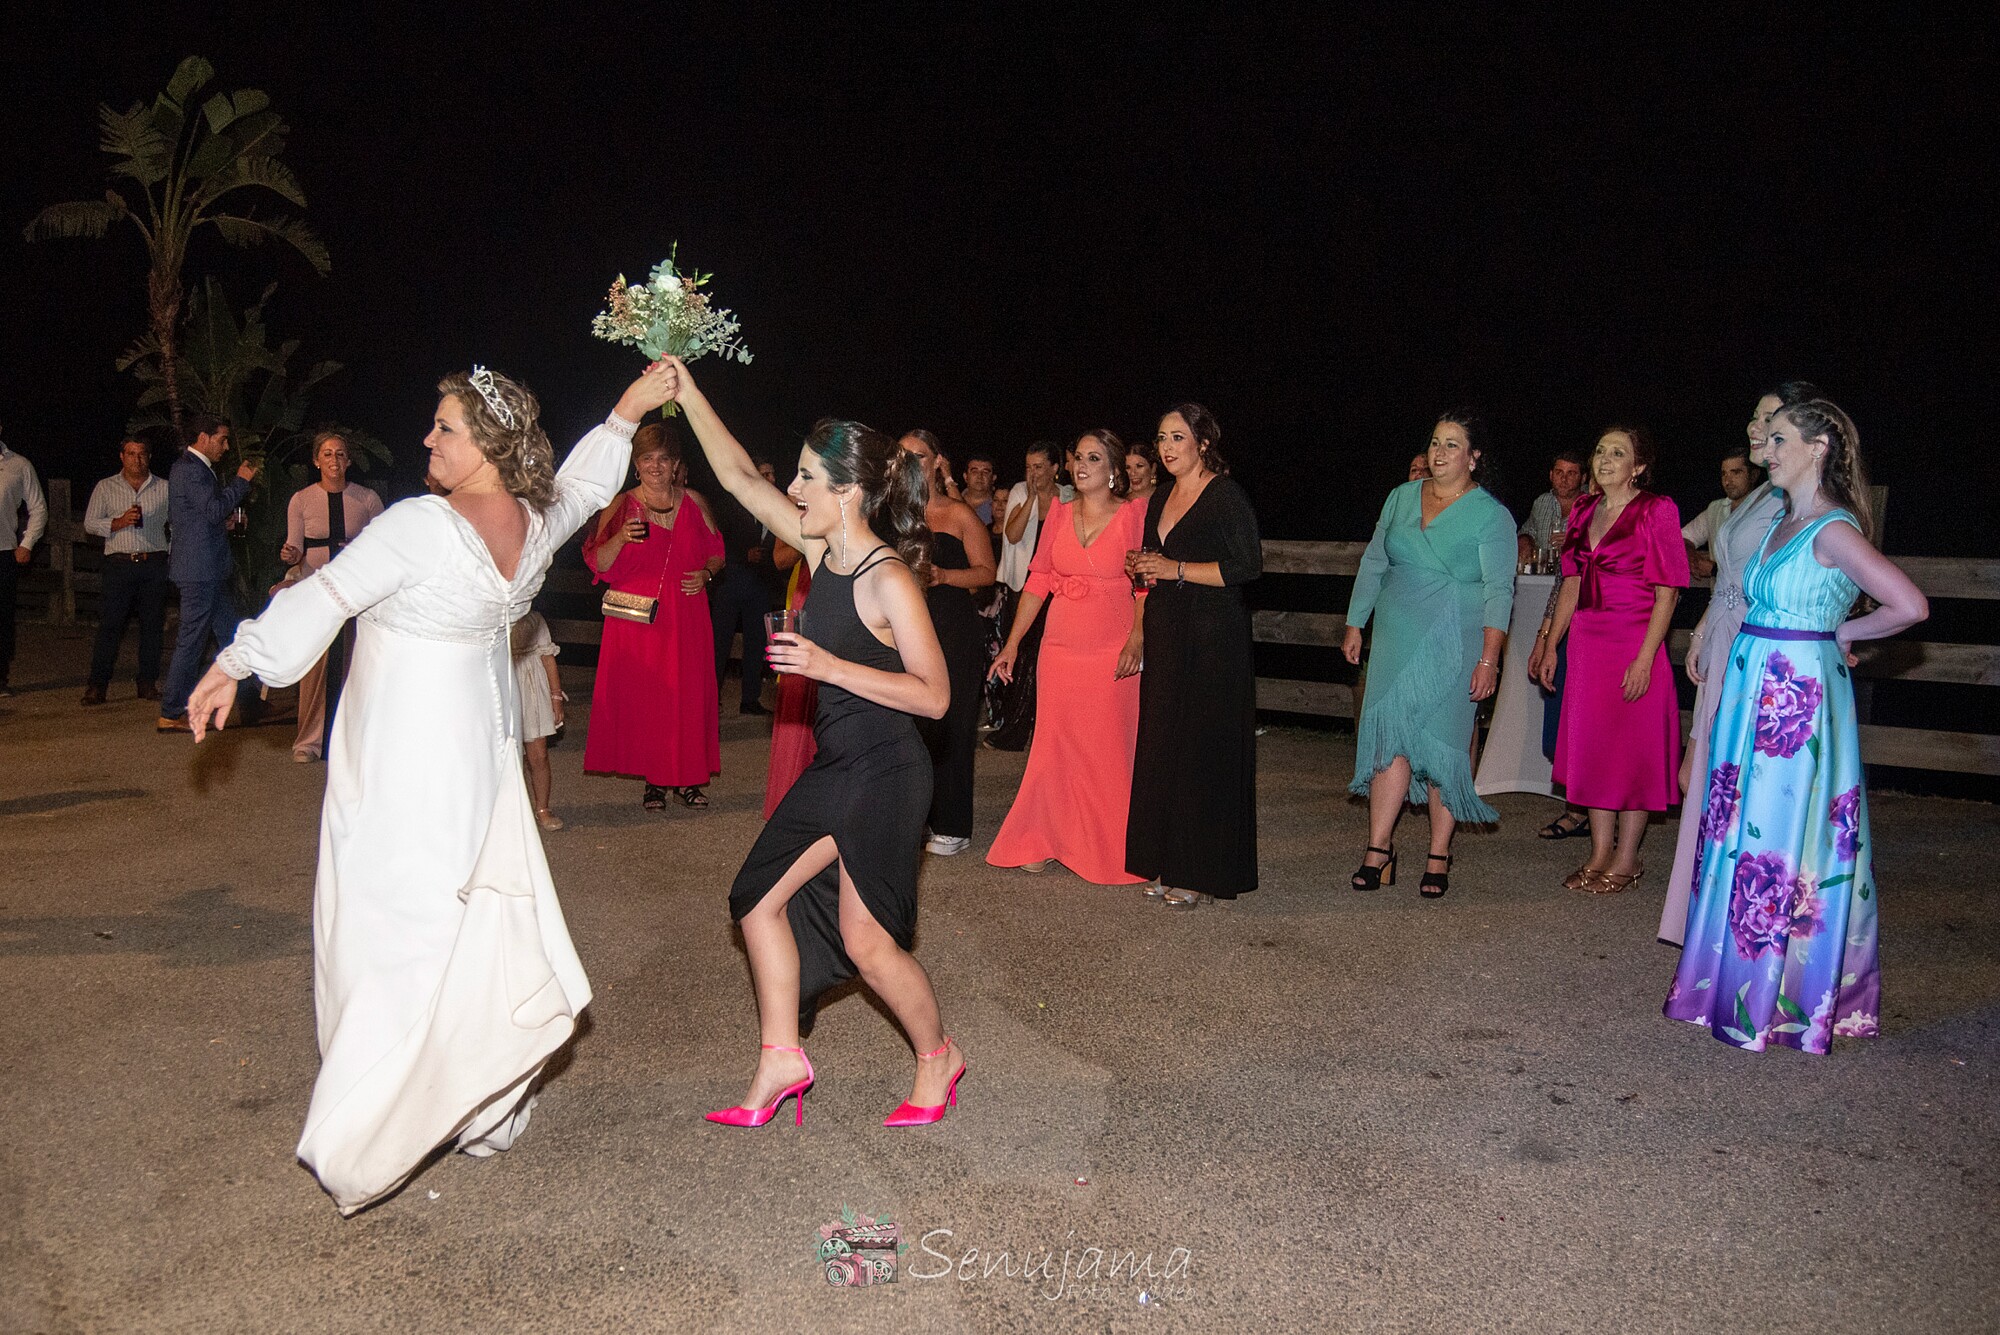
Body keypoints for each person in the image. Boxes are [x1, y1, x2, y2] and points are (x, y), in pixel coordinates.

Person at [185, 363, 670, 1213]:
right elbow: (592, 483)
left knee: (385, 926)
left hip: (401, 758)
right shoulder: (536, 516)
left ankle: (375, 1119)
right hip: (476, 760)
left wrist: (236, 660)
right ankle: (477, 1100)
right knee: (465, 921)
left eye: (444, 427)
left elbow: (326, 595)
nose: (427, 439)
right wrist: (627, 409)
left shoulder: (417, 525)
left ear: (485, 441)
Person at [665, 356, 964, 1130]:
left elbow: (935, 696)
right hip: (840, 763)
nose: (792, 490)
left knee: (866, 942)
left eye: (805, 478)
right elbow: (733, 475)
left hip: (890, 770)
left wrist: (830, 664)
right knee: (756, 897)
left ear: (848, 491)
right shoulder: (815, 543)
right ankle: (781, 1057)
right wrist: (686, 388)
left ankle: (938, 1058)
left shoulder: (886, 576)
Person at [1665, 399, 1926, 1053]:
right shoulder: (1783, 518)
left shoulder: (1834, 529)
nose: (1767, 447)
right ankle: (1722, 984)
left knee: (1781, 841)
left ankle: (1777, 1003)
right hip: (1752, 681)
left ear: (1817, 448)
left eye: (1780, 438)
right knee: (1738, 829)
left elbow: (1910, 604)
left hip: (1796, 695)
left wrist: (1844, 630)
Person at [1661, 381, 1821, 942]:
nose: (1756, 429)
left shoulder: (1795, 500)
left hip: (1758, 644)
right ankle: (1705, 911)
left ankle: (1746, 919)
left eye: (1770, 419)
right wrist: (1703, 630)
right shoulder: (1757, 496)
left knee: (1741, 779)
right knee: (1701, 774)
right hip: (1724, 633)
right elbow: (1730, 576)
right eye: (1755, 418)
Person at [1342, 414, 1515, 898]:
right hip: (1396, 634)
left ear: (1474, 457)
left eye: (1452, 445)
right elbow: (1375, 559)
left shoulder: (1490, 514)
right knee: (1388, 736)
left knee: (1444, 744)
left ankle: (1439, 851)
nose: (1439, 453)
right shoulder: (1400, 496)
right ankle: (1379, 847)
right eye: (1435, 443)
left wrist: (1489, 658)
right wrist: (1356, 621)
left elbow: (1501, 590)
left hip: (1455, 640)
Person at [986, 430, 1148, 882]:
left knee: (1108, 747)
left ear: (1114, 470)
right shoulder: (1058, 512)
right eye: (1078, 456)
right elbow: (1038, 580)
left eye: (1093, 458)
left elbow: (1145, 584)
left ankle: (1111, 848)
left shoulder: (1135, 515)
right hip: (1060, 645)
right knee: (1054, 746)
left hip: (1111, 643)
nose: (1081, 465)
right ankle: (1045, 837)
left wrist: (1137, 638)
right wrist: (1014, 644)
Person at [1537, 425, 1689, 892]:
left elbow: (1668, 593)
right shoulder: (1584, 508)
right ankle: (1599, 852)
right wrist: (1550, 642)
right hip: (1587, 642)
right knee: (1595, 748)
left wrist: (1646, 659)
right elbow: (1572, 582)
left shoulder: (1656, 510)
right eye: (1600, 451)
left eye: (1617, 453)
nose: (1604, 460)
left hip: (1634, 641)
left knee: (1633, 752)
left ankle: (1627, 858)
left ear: (1638, 466)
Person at [1124, 404, 1262, 908]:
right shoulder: (1160, 495)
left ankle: (1199, 869)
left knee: (1203, 748)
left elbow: (1247, 566)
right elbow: (1152, 563)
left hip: (1213, 633)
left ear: (1203, 443)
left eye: (1177, 437)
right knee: (1165, 743)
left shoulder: (1225, 495)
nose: (1166, 447)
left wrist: (1174, 567)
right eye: (1161, 437)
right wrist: (1140, 566)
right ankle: (1165, 859)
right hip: (1167, 629)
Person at [581, 422, 724, 810]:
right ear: (636, 465)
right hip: (639, 621)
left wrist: (707, 573)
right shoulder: (621, 506)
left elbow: (717, 551)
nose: (656, 466)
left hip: (687, 614)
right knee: (651, 701)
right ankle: (654, 781)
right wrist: (620, 537)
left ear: (676, 464)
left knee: (689, 697)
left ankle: (690, 778)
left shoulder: (694, 501)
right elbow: (599, 563)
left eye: (664, 459)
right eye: (647, 459)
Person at [900, 429, 997, 855]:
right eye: (901, 456)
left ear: (937, 463)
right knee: (909, 723)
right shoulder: (893, 513)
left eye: (917, 456)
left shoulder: (958, 514)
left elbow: (986, 574)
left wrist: (942, 576)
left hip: (953, 626)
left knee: (953, 722)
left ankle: (953, 824)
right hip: (905, 627)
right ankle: (913, 815)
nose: (908, 464)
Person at [277, 431, 385, 761]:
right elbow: (295, 548)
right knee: (315, 669)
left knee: (356, 665)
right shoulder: (302, 499)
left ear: (348, 460)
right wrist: (289, 554)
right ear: (316, 460)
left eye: (340, 454)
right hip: (317, 591)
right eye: (327, 454)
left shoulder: (367, 498)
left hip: (356, 591)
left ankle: (352, 742)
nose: (334, 460)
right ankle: (308, 741)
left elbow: (383, 545)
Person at [158, 415, 261, 731]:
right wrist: (242, 481)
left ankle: (250, 703)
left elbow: (203, 516)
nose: (226, 447)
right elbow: (215, 508)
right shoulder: (191, 469)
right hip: (199, 571)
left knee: (232, 636)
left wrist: (222, 524)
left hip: (207, 569)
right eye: (222, 439)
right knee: (192, 640)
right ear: (203, 437)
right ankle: (171, 711)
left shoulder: (195, 469)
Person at [986, 441, 1070, 750]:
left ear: (1054, 468)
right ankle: (1015, 728)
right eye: (1028, 467)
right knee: (1018, 654)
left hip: (1055, 586)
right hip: (1023, 584)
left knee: (1044, 657)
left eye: (1038, 467)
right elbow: (1013, 533)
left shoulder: (1069, 496)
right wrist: (1033, 497)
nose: (1032, 473)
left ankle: (1045, 728)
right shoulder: (1021, 492)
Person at [81, 429, 171, 705]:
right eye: (131, 454)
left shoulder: (164, 487)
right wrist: (116, 523)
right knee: (110, 626)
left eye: (142, 454)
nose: (137, 459)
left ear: (149, 457)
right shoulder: (106, 487)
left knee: (152, 626)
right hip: (119, 564)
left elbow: (177, 524)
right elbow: (89, 523)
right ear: (122, 456)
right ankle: (98, 685)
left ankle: (147, 682)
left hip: (152, 562)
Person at [708, 459, 780, 717]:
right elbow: (715, 540)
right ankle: (711, 698)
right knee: (720, 643)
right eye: (765, 474)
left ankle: (750, 699)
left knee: (757, 643)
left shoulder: (777, 507)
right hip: (732, 580)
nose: (770, 478)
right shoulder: (732, 503)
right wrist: (741, 555)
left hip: (760, 584)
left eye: (772, 473)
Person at [762, 534, 817, 818]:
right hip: (807, 592)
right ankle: (792, 795)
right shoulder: (799, 505)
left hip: (852, 587)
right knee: (798, 691)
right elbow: (780, 559)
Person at [0, 424, 49, 697]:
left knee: (2, 619)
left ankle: (0, 677)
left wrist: (27, 543)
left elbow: (39, 508)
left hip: (3, 551)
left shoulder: (18, 465)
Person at [511, 609, 566, 832]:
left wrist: (556, 697)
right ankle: (510, 810)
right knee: (506, 757)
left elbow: (548, 658)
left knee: (539, 754)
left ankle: (542, 807)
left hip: (532, 687)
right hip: (505, 681)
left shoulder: (535, 619)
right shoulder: (493, 613)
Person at [1682, 444, 1765, 580]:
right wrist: (1691, 556)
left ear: (1754, 475)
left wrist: (1714, 570)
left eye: (1736, 472)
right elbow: (1683, 537)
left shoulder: (1765, 509)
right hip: (1718, 599)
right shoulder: (1716, 508)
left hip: (1752, 600)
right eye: (1724, 474)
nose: (1728, 480)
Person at [1516, 451, 1587, 568]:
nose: (1564, 479)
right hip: (1543, 578)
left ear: (1583, 478)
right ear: (1551, 475)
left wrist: (1574, 544)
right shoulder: (1541, 502)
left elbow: (1606, 546)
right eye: (1559, 472)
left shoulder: (1593, 506)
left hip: (1578, 578)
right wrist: (1524, 540)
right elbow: (1529, 531)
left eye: (1571, 473)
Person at [961, 452, 1001, 528]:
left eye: (985, 472)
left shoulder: (1000, 506)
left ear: (993, 478)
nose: (980, 476)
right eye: (974, 471)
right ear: (965, 476)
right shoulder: (950, 500)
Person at [1123, 439, 1159, 504]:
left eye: (1139, 466)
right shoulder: (1119, 504)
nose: (1133, 473)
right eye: (1128, 467)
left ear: (1153, 468)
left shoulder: (1167, 498)